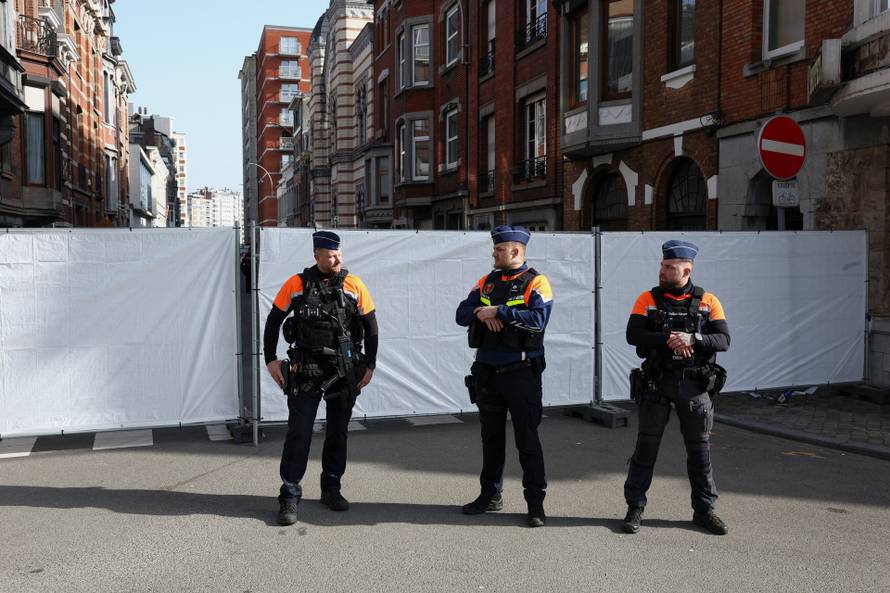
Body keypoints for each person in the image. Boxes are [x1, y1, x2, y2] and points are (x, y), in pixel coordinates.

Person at [264, 230, 378, 526]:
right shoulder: (296, 284)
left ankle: (331, 487)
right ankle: (289, 494)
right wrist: (270, 360)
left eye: (339, 254)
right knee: (299, 432)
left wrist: (370, 367)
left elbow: (371, 326)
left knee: (338, 432)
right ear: (317, 256)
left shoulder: (354, 284)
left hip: (343, 370)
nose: (337, 259)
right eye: (331, 255)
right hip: (307, 370)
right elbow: (273, 320)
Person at [622, 240, 730, 535]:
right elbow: (633, 334)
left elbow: (723, 340)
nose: (663, 270)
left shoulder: (708, 300)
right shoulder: (648, 298)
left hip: (694, 386)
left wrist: (692, 339)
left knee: (699, 451)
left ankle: (704, 510)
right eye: (662, 265)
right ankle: (635, 507)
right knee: (646, 447)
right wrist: (670, 338)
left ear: (687, 269)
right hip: (657, 383)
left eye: (669, 267)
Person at [455, 225, 554, 527]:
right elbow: (461, 313)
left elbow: (538, 320)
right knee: (491, 439)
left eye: (498, 249)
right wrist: (480, 313)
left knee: (528, 440)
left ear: (515, 251)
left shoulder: (537, 281)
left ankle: (535, 504)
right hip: (487, 373)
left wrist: (498, 311)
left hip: (521, 373)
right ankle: (490, 495)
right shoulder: (486, 281)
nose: (493, 253)